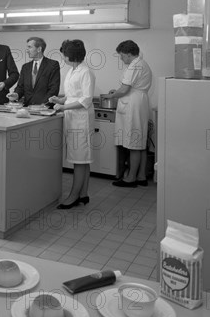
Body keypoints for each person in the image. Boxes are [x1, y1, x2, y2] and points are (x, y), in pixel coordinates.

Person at [49, 39, 95, 209]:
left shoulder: (86, 72)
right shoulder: (72, 71)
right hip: (73, 116)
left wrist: (63, 106)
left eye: (64, 55)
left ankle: (73, 196)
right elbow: (72, 95)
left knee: (80, 159)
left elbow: (86, 100)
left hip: (81, 118)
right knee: (81, 158)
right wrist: (59, 99)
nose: (63, 57)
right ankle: (84, 194)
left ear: (71, 55)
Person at [101, 40, 152, 187]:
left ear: (129, 54)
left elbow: (124, 90)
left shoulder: (134, 65)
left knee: (133, 143)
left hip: (133, 105)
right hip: (139, 102)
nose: (121, 58)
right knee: (140, 142)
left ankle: (130, 179)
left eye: (122, 55)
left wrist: (111, 96)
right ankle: (141, 176)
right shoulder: (142, 64)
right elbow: (126, 88)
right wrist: (116, 92)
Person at [7, 37, 60, 106]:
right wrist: (16, 95)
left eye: (30, 47)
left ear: (39, 49)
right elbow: (20, 87)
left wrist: (43, 105)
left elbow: (53, 89)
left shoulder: (52, 65)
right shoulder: (25, 67)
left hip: (45, 109)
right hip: (28, 109)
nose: (27, 50)